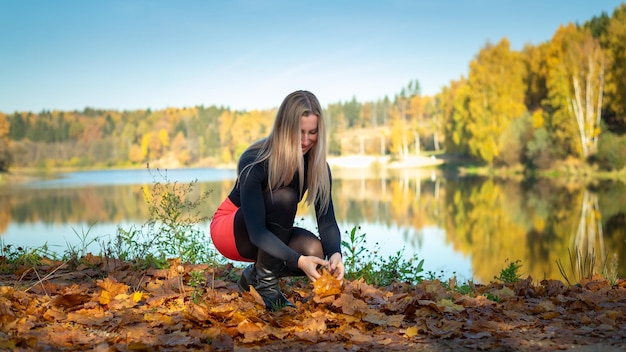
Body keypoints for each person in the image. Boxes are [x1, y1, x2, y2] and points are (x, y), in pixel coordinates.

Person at [210, 90, 344, 311]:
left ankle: (253, 276)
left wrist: (335, 254)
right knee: (284, 197)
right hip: (232, 229)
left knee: (314, 250)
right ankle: (268, 285)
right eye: (299, 132)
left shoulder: (317, 166)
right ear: (284, 128)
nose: (305, 140)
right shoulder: (256, 159)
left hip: (266, 232)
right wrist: (297, 261)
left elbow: (327, 221)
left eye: (312, 132)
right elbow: (257, 232)